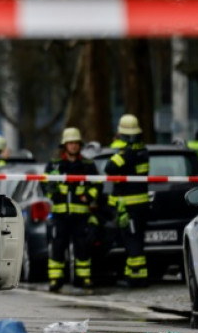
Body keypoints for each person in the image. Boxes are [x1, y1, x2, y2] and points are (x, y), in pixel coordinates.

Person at [43, 127, 100, 291]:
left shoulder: (88, 165)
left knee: (82, 247)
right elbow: (44, 183)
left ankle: (84, 278)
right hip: (60, 214)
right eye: (70, 143)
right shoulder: (55, 165)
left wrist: (88, 197)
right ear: (65, 145)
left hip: (80, 215)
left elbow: (97, 184)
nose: (73, 146)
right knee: (57, 247)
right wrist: (52, 193)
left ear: (80, 145)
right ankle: (55, 280)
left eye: (76, 143)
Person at [104, 114, 150, 288]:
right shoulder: (143, 151)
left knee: (133, 241)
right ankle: (133, 273)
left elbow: (110, 167)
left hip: (131, 206)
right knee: (135, 239)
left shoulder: (129, 154)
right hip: (140, 205)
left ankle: (137, 277)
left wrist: (119, 151)